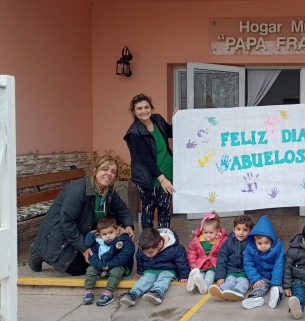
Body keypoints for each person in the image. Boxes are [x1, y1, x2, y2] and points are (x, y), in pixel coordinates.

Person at [29, 155, 134, 276]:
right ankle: (39, 251)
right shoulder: (78, 190)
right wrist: (84, 248)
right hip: (60, 234)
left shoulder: (107, 191)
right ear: (95, 171)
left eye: (113, 171)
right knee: (79, 269)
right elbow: (67, 222)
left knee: (98, 260)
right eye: (105, 169)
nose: (109, 174)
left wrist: (128, 225)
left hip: (85, 230)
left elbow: (122, 210)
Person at [124, 93, 174, 230]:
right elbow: (146, 159)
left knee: (164, 209)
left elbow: (171, 132)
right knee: (149, 209)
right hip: (148, 178)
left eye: (146, 107)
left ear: (151, 108)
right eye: (139, 108)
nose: (144, 111)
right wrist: (162, 179)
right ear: (134, 112)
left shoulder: (157, 119)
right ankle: (148, 242)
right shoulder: (134, 133)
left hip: (167, 172)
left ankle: (165, 239)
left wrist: (178, 120)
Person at [119, 227, 190, 306]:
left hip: (168, 270)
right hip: (150, 270)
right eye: (144, 252)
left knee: (164, 278)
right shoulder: (144, 247)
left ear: (159, 244)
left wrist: (184, 276)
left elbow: (182, 262)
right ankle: (132, 294)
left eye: (150, 252)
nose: (146, 255)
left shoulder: (174, 248)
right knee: (145, 280)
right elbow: (139, 258)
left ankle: (157, 293)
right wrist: (140, 271)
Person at [83, 216, 135, 306]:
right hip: (101, 265)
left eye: (111, 232)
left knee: (116, 271)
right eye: (104, 234)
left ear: (117, 231)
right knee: (91, 269)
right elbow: (92, 256)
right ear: (99, 235)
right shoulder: (97, 242)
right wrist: (99, 265)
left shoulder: (123, 241)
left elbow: (124, 256)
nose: (108, 236)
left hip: (118, 265)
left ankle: (109, 293)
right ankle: (89, 290)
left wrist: (109, 264)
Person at [208, 214, 255, 302]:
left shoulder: (252, 244)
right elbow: (222, 259)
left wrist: (254, 279)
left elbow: (256, 262)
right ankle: (221, 292)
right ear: (234, 229)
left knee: (243, 283)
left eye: (245, 230)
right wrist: (220, 277)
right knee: (229, 282)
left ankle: (238, 293)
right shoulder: (228, 242)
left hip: (245, 273)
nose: (241, 233)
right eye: (238, 229)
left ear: (250, 231)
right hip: (231, 272)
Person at [242, 215, 284, 310]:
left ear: (272, 240)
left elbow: (279, 265)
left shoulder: (278, 246)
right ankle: (254, 298)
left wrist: (276, 282)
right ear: (254, 241)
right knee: (259, 286)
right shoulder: (250, 248)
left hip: (276, 274)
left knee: (278, 287)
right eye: (259, 243)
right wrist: (255, 279)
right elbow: (248, 264)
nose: (263, 246)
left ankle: (276, 296)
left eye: (266, 242)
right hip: (262, 275)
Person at [186, 211, 228, 295]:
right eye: (205, 233)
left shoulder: (222, 240)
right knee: (199, 274)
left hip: (213, 265)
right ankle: (192, 284)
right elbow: (192, 251)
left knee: (210, 275)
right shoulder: (198, 239)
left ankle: (205, 286)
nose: (208, 235)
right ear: (202, 230)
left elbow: (225, 254)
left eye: (211, 233)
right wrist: (192, 262)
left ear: (217, 231)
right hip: (201, 264)